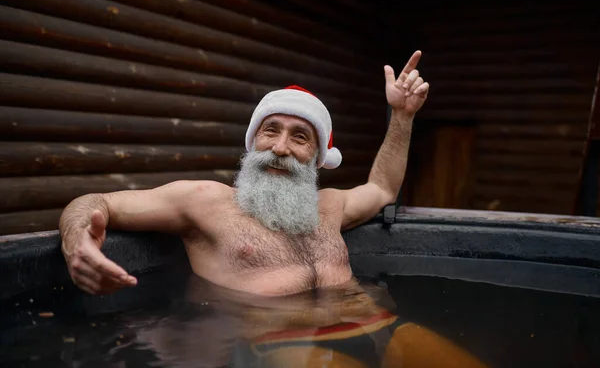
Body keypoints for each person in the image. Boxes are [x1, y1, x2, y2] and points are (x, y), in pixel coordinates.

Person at [58, 51, 489, 367]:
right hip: (280, 344)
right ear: (252, 142)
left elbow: (382, 187)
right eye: (270, 131)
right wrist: (78, 239)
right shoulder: (206, 203)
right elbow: (94, 202)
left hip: (377, 325)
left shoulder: (330, 206)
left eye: (300, 137)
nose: (280, 148)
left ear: (318, 156)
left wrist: (401, 116)